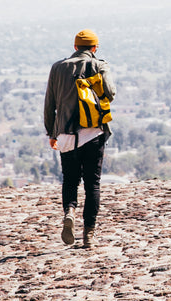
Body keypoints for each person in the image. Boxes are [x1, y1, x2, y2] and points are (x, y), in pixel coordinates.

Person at [43, 29, 116, 249]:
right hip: (92, 132)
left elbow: (50, 104)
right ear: (94, 48)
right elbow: (110, 93)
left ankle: (70, 212)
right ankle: (89, 235)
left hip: (65, 135)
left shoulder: (57, 68)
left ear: (75, 47)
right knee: (92, 183)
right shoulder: (99, 65)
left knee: (70, 180)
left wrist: (51, 133)